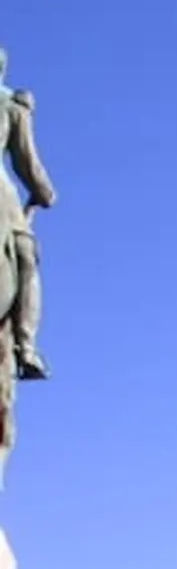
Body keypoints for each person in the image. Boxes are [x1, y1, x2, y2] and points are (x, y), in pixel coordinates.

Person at [0, 49, 56, 381]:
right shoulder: (10, 105)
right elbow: (27, 163)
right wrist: (45, 192)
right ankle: (26, 347)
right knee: (25, 255)